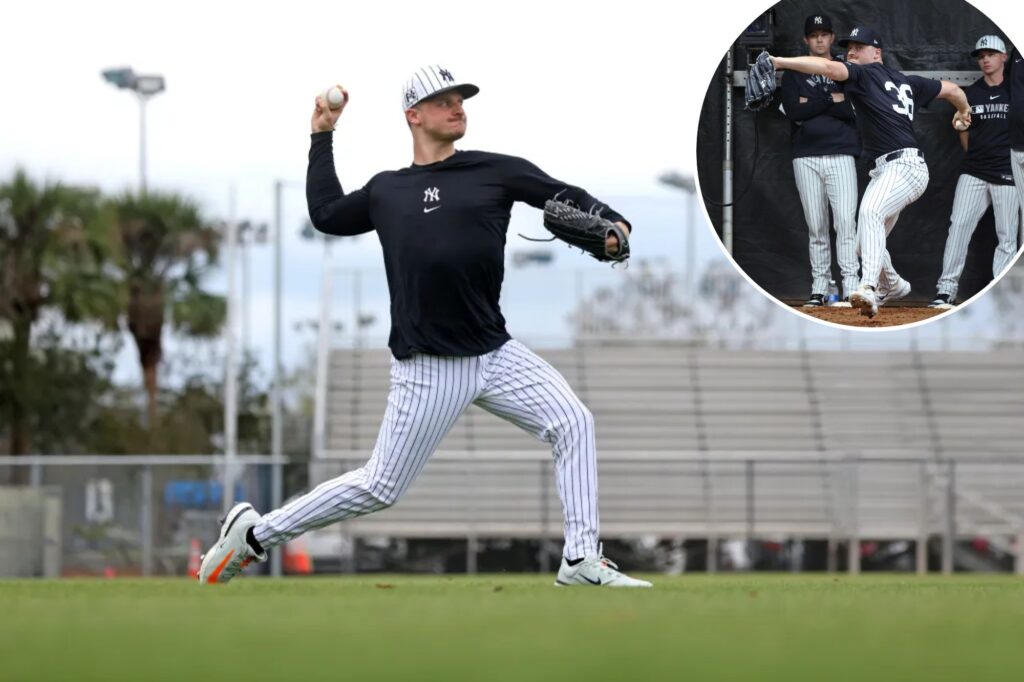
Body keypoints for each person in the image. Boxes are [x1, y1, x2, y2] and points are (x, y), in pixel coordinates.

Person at [198, 64, 651, 588]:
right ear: (413, 116)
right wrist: (322, 136)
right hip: (428, 366)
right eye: (443, 101)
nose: (457, 107)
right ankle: (254, 535)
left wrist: (614, 223)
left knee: (574, 422)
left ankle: (579, 560)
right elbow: (325, 214)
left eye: (460, 100)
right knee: (379, 487)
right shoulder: (387, 190)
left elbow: (562, 193)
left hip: (495, 354)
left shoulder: (494, 170)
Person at [770, 27, 972, 317]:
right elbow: (952, 90)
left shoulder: (864, 75)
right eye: (849, 47)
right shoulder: (907, 81)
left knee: (869, 213)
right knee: (862, 243)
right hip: (891, 169)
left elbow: (827, 66)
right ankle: (894, 284)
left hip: (904, 165)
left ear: (876, 52)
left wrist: (779, 62)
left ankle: (868, 287)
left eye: (859, 47)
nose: (851, 52)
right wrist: (963, 111)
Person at [930, 35, 1019, 310]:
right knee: (958, 229)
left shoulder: (1015, 91)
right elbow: (964, 133)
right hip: (975, 172)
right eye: (981, 56)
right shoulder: (971, 93)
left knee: (1007, 236)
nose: (985, 59)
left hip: (1009, 173)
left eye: (991, 54)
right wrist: (976, 155)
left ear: (1005, 57)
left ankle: (1000, 293)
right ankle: (946, 291)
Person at [780, 14, 861, 308]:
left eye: (824, 34)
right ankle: (822, 287)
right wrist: (831, 101)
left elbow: (851, 109)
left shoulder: (846, 70)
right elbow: (793, 111)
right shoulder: (794, 73)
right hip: (806, 156)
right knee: (816, 226)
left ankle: (852, 286)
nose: (819, 39)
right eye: (813, 35)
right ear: (806, 40)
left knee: (845, 224)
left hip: (840, 153)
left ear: (831, 37)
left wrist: (811, 103)